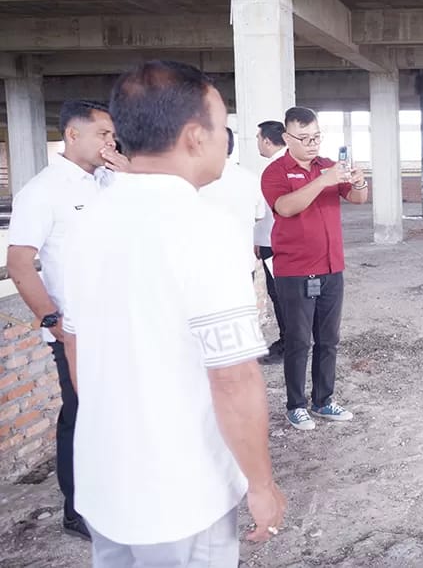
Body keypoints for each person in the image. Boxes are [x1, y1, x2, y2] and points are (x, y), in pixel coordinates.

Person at [61, 60, 285, 566]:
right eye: (221, 127)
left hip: (105, 481)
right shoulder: (204, 229)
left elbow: (74, 344)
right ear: (194, 137)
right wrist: (261, 484)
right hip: (182, 495)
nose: (225, 141)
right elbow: (233, 378)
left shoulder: (87, 223)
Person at [6, 100, 127, 541]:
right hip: (77, 329)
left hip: (121, 322)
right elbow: (20, 263)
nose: (111, 142)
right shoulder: (43, 190)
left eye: (113, 135)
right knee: (82, 414)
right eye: (103, 134)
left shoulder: (113, 180)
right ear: (73, 135)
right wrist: (51, 318)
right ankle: (78, 510)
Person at [260, 106, 368, 431]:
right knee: (298, 341)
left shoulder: (329, 166)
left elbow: (358, 199)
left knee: (328, 339)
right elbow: (285, 207)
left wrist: (359, 182)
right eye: (304, 138)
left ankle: (323, 400)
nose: (312, 144)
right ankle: (296, 405)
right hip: (295, 270)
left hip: (331, 267)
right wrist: (323, 181)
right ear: (287, 137)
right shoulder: (276, 172)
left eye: (317, 137)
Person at [200, 127, 267, 274]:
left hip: (207, 263)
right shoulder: (251, 178)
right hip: (243, 261)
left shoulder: (196, 180)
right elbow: (259, 215)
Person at [254, 120, 288, 364]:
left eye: (258, 138)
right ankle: (289, 340)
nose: (257, 142)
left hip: (275, 243)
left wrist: (260, 240)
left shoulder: (277, 168)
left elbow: (269, 213)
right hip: (270, 241)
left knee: (281, 295)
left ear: (267, 141)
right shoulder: (280, 165)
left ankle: (289, 344)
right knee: (281, 295)